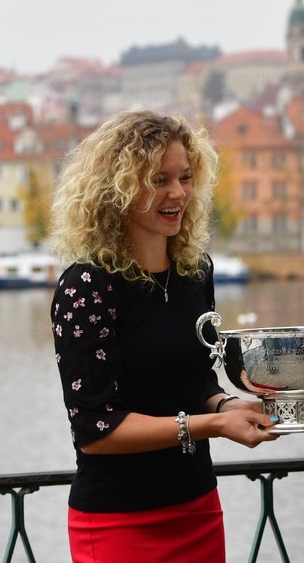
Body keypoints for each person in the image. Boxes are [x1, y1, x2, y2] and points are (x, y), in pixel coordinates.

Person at [48, 110, 277, 562]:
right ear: (117, 190)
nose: (178, 193)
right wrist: (214, 425)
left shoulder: (196, 272)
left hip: (197, 506)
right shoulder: (86, 286)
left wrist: (230, 405)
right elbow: (96, 429)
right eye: (158, 180)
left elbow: (192, 384)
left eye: (186, 177)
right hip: (119, 520)